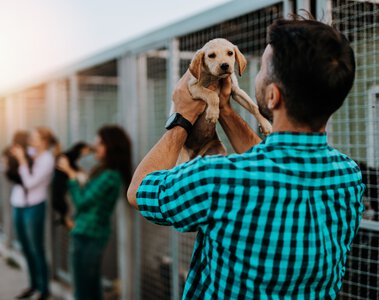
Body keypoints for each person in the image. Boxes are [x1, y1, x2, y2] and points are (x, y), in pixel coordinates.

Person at [127, 16, 365, 299]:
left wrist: (183, 116)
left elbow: (139, 190)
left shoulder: (216, 178)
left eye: (263, 68)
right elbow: (272, 165)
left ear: (274, 96)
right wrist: (226, 110)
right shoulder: (349, 177)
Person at [57, 125, 131, 300]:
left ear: (111, 147)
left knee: (83, 288)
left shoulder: (110, 175)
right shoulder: (104, 171)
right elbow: (89, 203)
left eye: (100, 143)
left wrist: (70, 174)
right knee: (89, 285)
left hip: (90, 235)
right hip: (85, 232)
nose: (94, 146)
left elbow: (82, 201)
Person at [11, 127, 60, 300]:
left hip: (35, 206)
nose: (30, 138)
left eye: (35, 136)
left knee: (36, 247)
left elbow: (30, 183)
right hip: (18, 203)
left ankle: (44, 288)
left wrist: (22, 161)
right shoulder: (29, 152)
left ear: (44, 141)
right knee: (25, 247)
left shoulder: (47, 159)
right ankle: (32, 284)